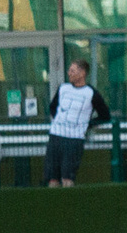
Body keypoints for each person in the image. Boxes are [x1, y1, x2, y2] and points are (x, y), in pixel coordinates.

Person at [45, 60, 109, 188]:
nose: (69, 73)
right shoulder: (63, 88)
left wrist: (87, 124)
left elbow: (105, 115)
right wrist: (59, 120)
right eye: (69, 70)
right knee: (52, 178)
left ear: (82, 73)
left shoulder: (91, 93)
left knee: (67, 178)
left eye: (73, 71)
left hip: (74, 139)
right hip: (56, 136)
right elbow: (52, 106)